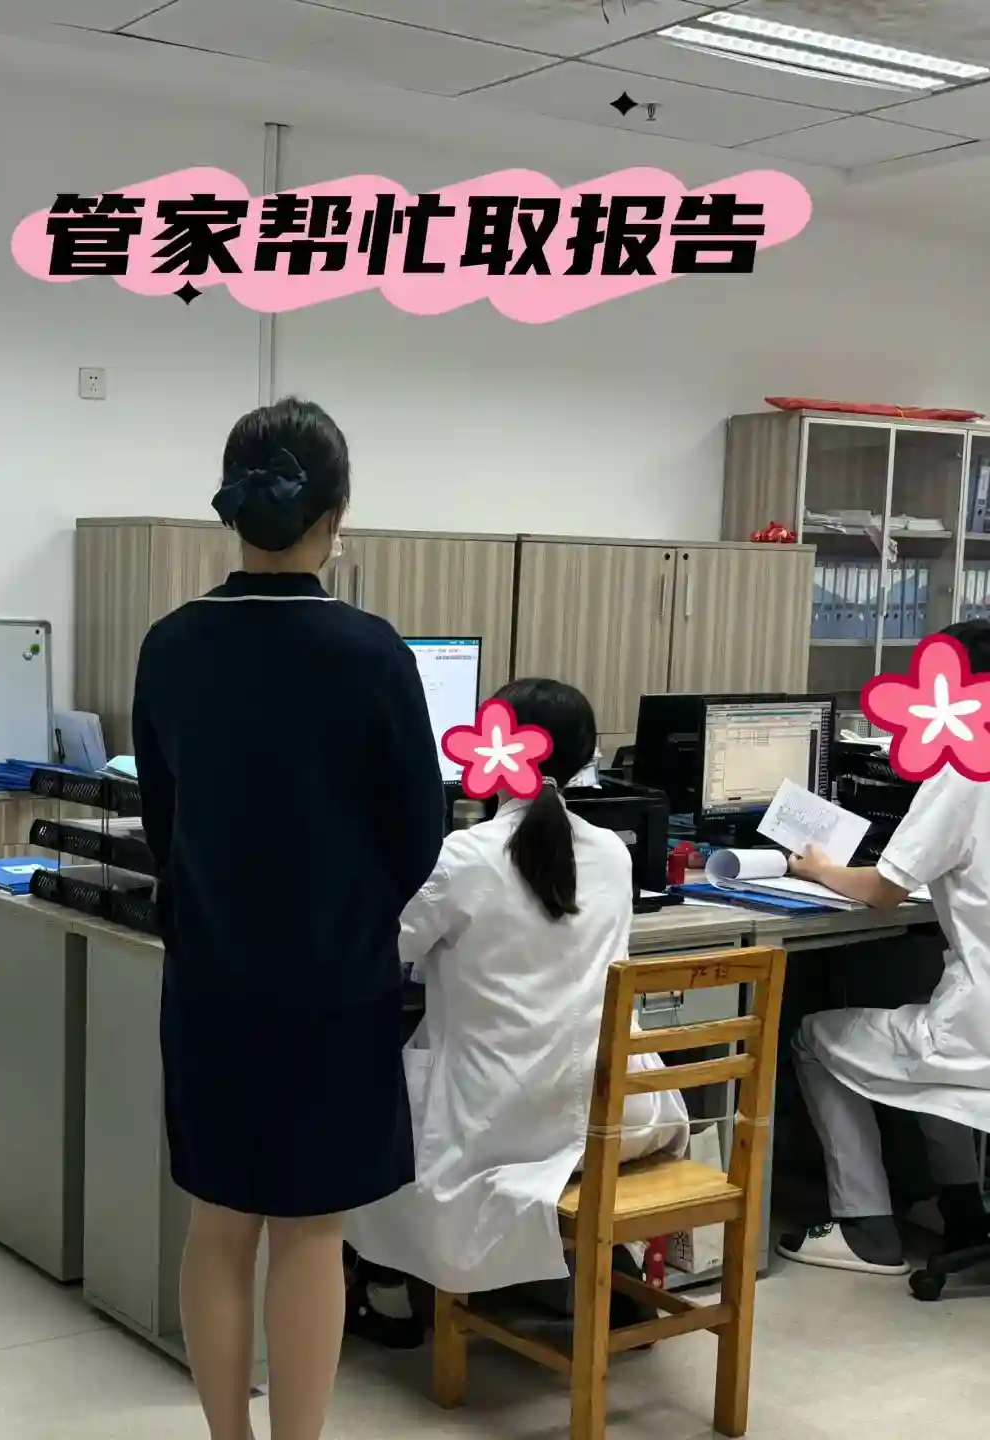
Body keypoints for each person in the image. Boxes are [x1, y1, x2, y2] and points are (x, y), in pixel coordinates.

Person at [131, 398, 445, 1440]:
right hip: (335, 984)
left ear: (230, 506)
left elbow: (164, 821)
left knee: (218, 1224)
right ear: (337, 513)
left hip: (211, 980)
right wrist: (347, 908)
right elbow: (419, 836)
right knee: (311, 1233)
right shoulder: (371, 652)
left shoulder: (172, 646)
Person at [344, 678, 690, 1343]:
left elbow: (379, 953)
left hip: (501, 1128)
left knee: (364, 1097)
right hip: (620, 1118)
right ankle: (588, 1272)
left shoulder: (461, 858)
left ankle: (383, 1291)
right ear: (587, 758)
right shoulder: (612, 853)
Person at [779, 618, 990, 1276]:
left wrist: (819, 868)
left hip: (977, 1031)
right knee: (928, 1055)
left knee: (811, 1037)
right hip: (974, 1026)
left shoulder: (963, 770)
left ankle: (865, 1226)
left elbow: (882, 892)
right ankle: (962, 1210)